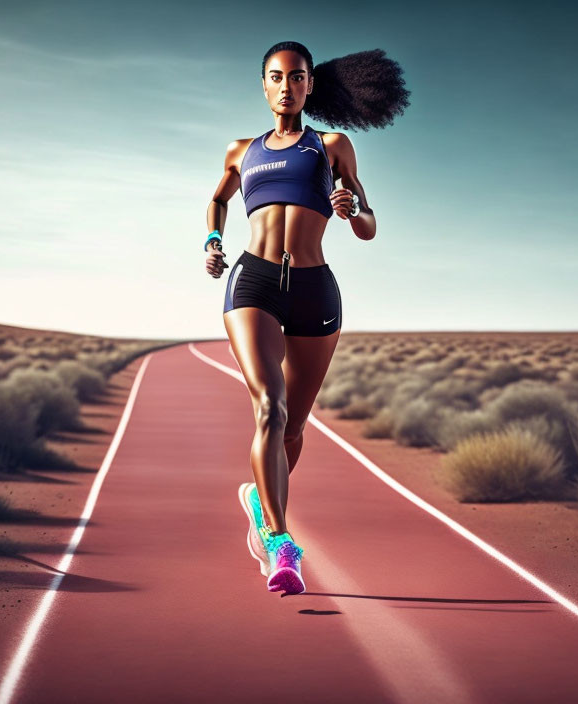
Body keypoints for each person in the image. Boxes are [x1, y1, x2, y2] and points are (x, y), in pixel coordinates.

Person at [204, 41, 409, 595]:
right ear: (264, 85)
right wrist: (212, 239)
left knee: (293, 424)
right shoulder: (240, 151)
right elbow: (217, 199)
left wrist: (353, 211)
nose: (287, 85)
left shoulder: (332, 146)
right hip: (254, 282)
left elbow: (368, 226)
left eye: (297, 77)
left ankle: (257, 499)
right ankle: (278, 541)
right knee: (269, 406)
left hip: (316, 289)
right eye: (276, 77)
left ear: (310, 85)